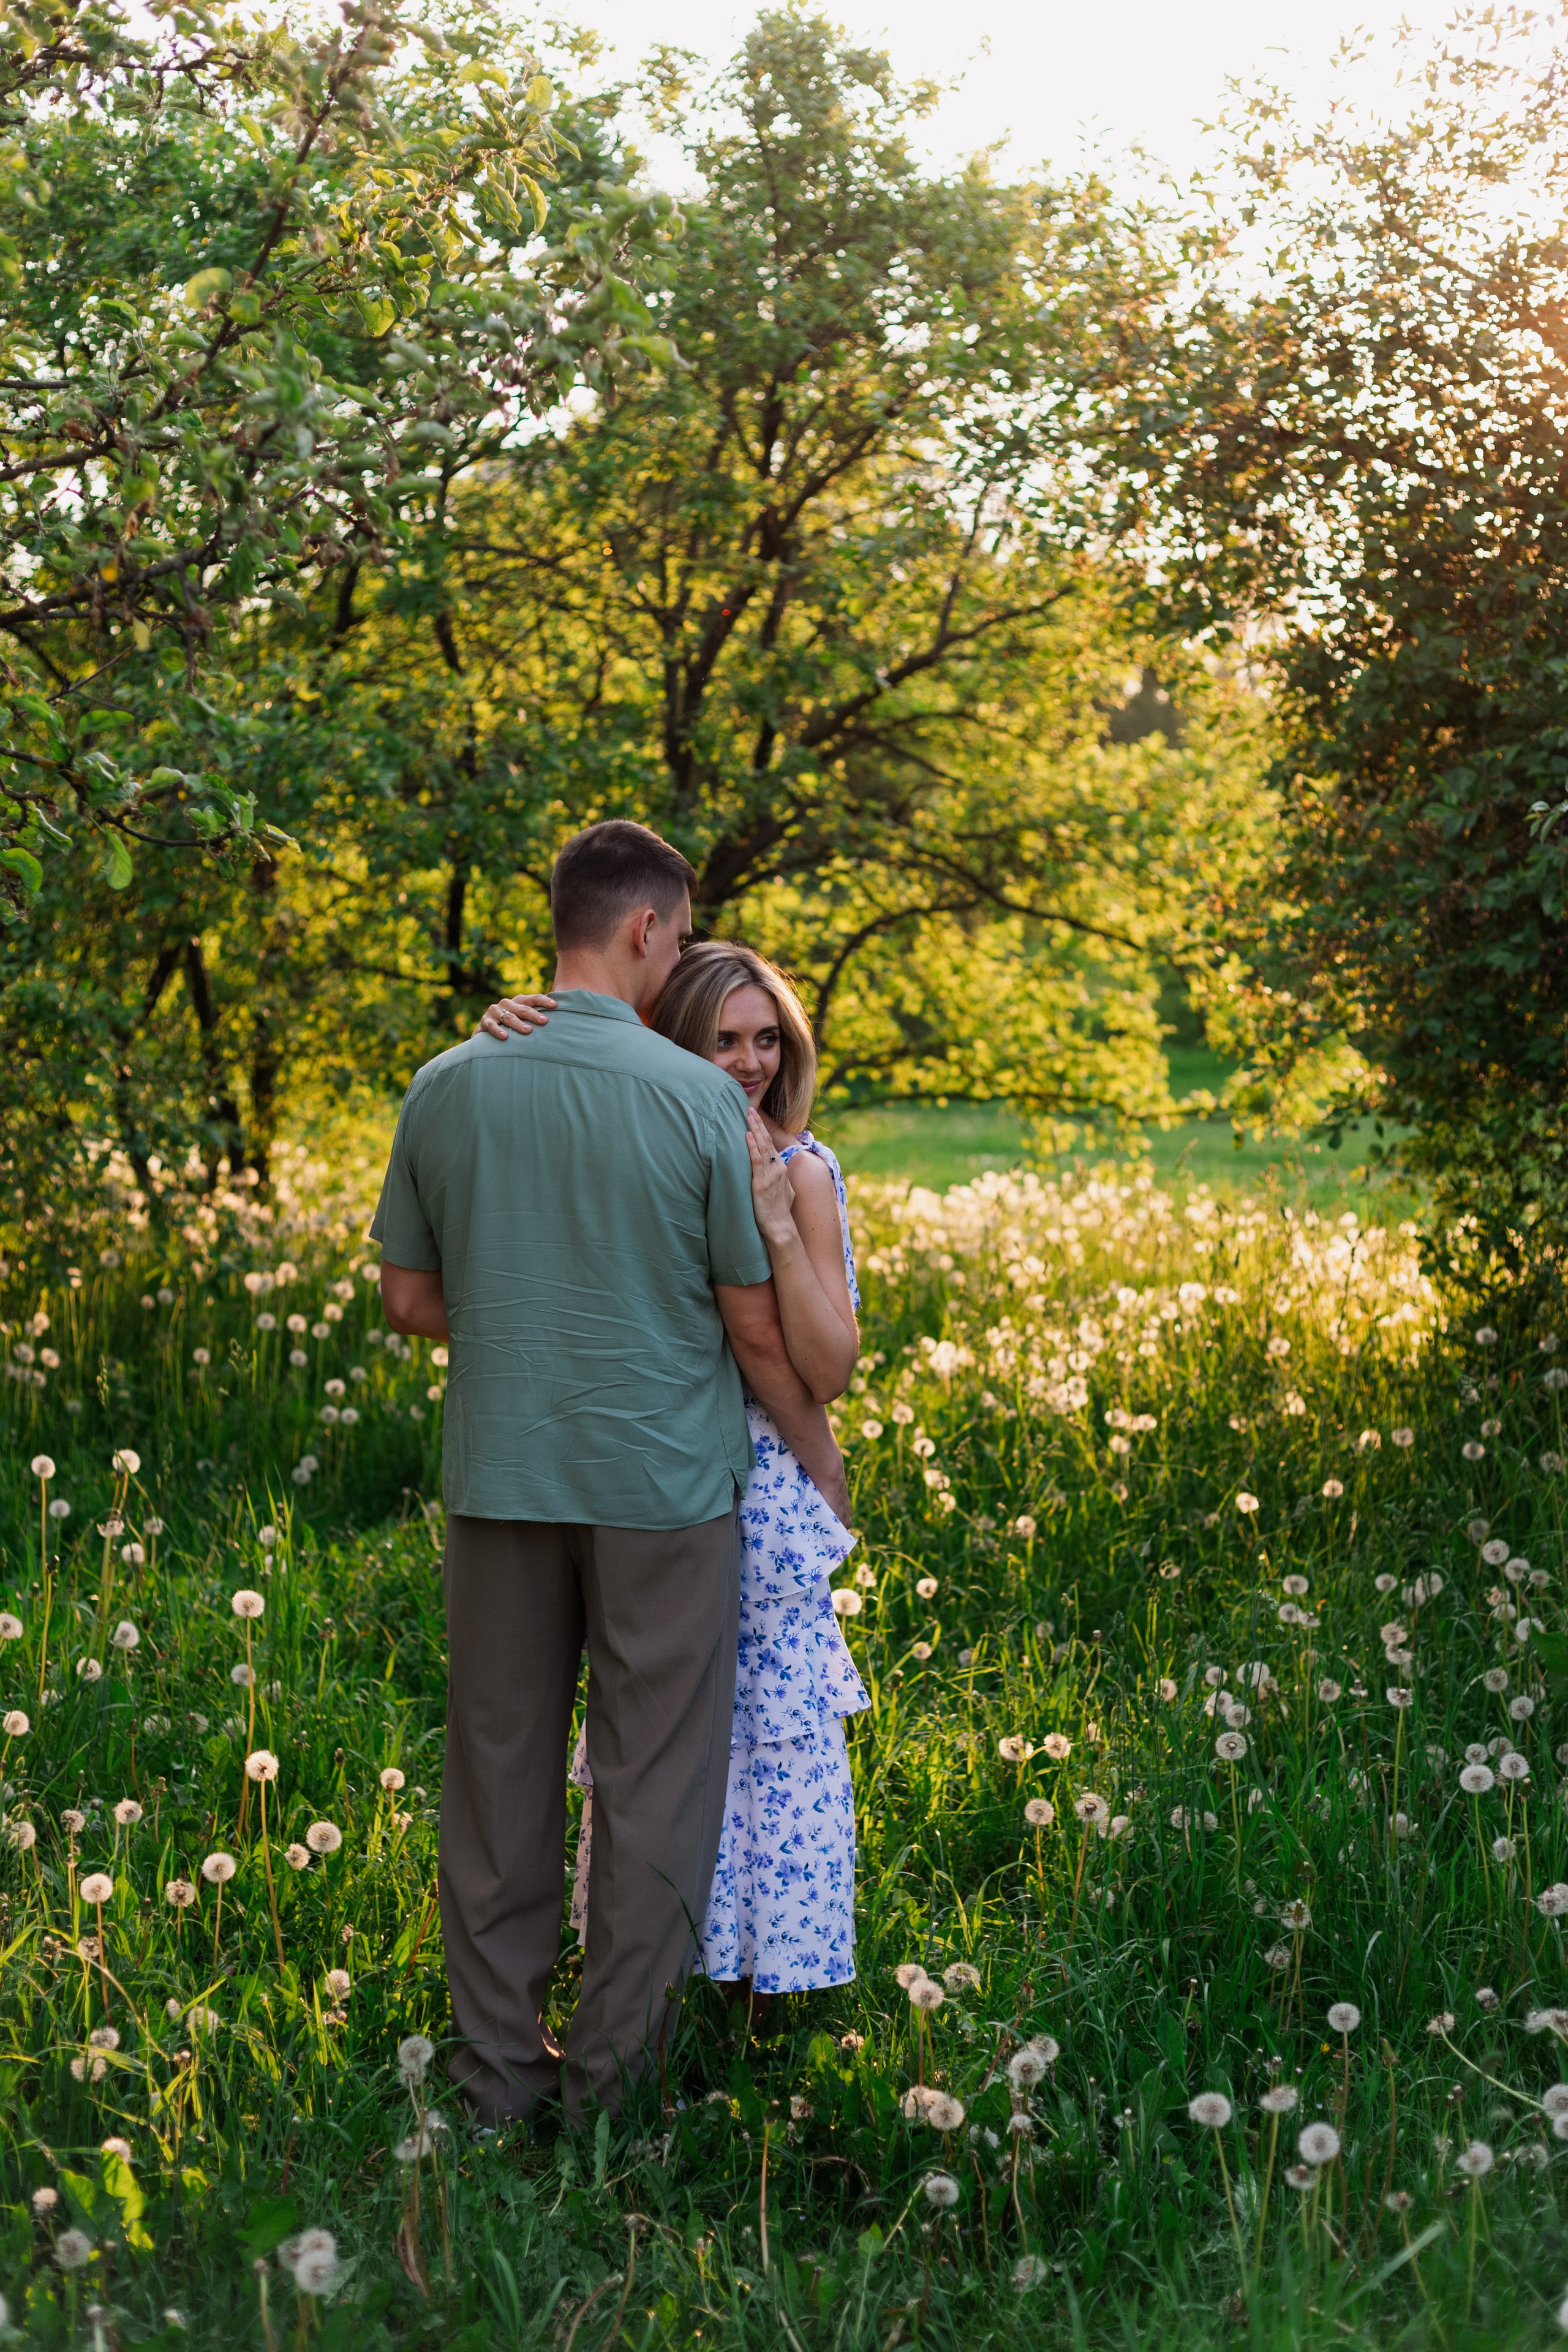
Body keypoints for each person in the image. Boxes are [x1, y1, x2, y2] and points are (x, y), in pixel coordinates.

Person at [370, 821, 849, 2124]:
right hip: (663, 1489)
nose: (678, 962)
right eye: (681, 939)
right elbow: (755, 1330)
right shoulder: (695, 1098)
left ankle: (489, 2084)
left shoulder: (449, 1081)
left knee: (498, 1775)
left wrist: (534, 1309)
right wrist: (822, 1464)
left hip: (503, 1478)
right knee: (652, 1786)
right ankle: (609, 2089)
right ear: (645, 931)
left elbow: (410, 1299)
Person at [479, 942, 870, 2005]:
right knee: (659, 1738)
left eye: (766, 1039)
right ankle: (670, 1980)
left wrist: (783, 1230)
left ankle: (761, 1983)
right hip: (658, 1470)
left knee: (764, 1730)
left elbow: (822, 1367)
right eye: (723, 1039)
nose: (749, 1062)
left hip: (758, 1480)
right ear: (671, 1043)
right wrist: (517, 1022)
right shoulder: (646, 1142)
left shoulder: (799, 1170)